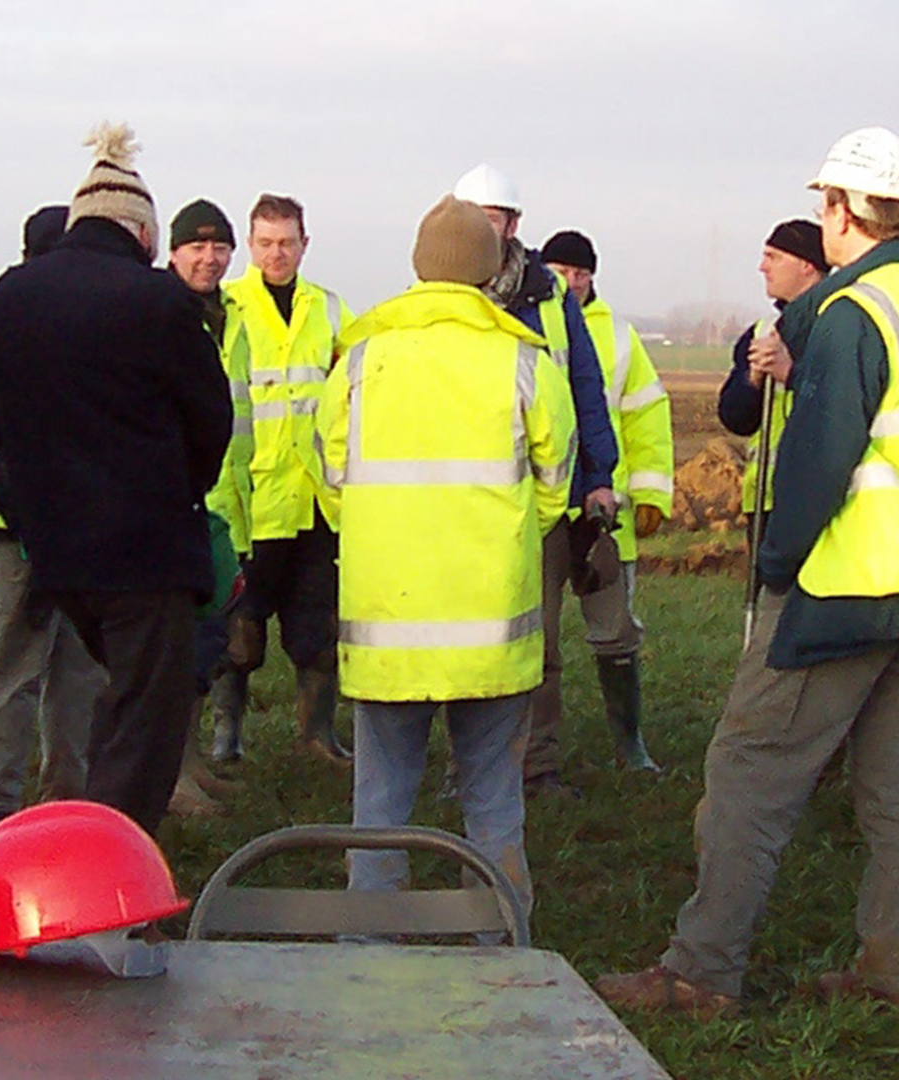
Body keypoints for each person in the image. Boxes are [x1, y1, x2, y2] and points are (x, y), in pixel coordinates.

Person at [596, 128, 899, 1016]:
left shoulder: (849, 313)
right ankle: (894, 973)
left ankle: (700, 972)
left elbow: (819, 462)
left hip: (852, 583)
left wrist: (778, 564)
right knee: (897, 788)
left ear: (838, 211)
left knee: (750, 765)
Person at [0, 123, 231, 837]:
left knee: (78, 686)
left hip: (54, 549)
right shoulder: (160, 304)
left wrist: (30, 512)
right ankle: (111, 860)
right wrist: (177, 495)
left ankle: (64, 829)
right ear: (145, 235)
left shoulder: (8, 299)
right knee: (142, 714)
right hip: (146, 552)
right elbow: (211, 420)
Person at [319, 194, 575, 918]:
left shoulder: (361, 361)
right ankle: (499, 948)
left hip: (384, 631)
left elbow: (330, 476)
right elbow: (554, 489)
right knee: (494, 802)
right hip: (492, 632)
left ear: (417, 266)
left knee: (379, 801)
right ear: (492, 272)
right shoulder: (524, 362)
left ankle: (370, 946)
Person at [451, 164, 619, 798]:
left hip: (540, 497)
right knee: (466, 639)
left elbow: (585, 389)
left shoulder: (552, 297)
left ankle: (537, 766)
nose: (483, 230)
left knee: (539, 641)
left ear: (514, 225)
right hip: (464, 499)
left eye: (493, 217)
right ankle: (463, 767)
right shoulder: (438, 294)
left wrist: (597, 479)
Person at [0, 205, 106, 832]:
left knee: (78, 671)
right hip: (17, 530)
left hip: (77, 530)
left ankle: (69, 793)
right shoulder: (9, 327)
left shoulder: (35, 319)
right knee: (14, 665)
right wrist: (35, 529)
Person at [211, 193, 353, 766]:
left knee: (318, 629)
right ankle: (227, 738)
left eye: (287, 243)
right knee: (238, 634)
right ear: (250, 244)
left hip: (316, 502)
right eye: (266, 243)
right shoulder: (227, 306)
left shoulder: (330, 309)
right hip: (251, 500)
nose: (277, 254)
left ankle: (317, 735)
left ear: (304, 244)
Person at [541, 228, 673, 772]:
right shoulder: (527, 326)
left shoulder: (620, 336)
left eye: (580, 273)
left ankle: (630, 744)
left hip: (604, 513)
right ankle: (534, 753)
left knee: (616, 632)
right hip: (545, 510)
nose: (571, 283)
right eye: (561, 272)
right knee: (535, 641)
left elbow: (647, 415)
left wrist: (651, 494)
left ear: (593, 276)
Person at [166, 197, 253, 817]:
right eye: (197, 246)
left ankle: (190, 760)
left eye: (220, 247)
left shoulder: (232, 315)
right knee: (180, 643)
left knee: (210, 639)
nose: (209, 257)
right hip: (180, 497)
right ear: (172, 251)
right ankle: (170, 777)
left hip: (226, 501)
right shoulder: (162, 311)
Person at [718, 220, 827, 525]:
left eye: (773, 257)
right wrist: (752, 379)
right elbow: (735, 419)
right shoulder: (761, 332)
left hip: (822, 499)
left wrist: (790, 373)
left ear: (807, 266)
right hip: (766, 500)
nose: (762, 267)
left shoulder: (839, 326)